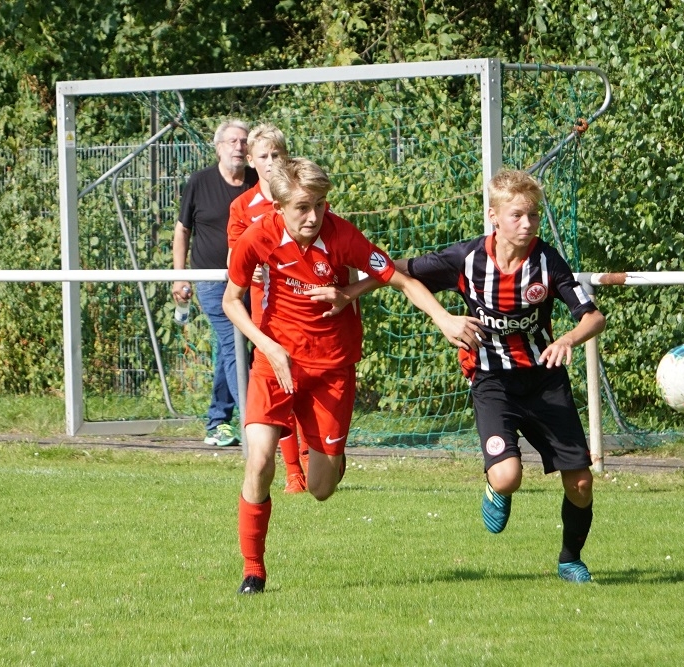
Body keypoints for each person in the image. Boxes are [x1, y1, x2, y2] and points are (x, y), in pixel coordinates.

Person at [325, 169, 606, 583]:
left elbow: (594, 317)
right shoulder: (466, 258)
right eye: (517, 215)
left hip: (545, 381)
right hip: (492, 382)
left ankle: (569, 559)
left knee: (580, 483)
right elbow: (398, 270)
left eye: (533, 215)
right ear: (494, 216)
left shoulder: (547, 262)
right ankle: (496, 486)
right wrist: (351, 290)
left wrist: (568, 338)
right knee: (507, 478)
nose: (527, 224)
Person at [222, 157, 485, 595]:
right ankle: (253, 570)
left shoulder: (342, 235)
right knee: (260, 460)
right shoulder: (257, 237)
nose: (313, 216)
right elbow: (231, 301)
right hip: (275, 363)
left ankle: (332, 456)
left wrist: (442, 318)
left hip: (332, 367)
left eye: (320, 205)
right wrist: (267, 345)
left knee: (321, 489)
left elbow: (397, 277)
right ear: (280, 207)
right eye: (303, 207)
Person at [226, 124, 309, 494]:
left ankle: (312, 457)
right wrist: (252, 266)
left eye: (277, 154)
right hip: (267, 309)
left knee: (307, 381)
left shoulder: (303, 197)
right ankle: (292, 469)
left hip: (306, 302)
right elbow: (234, 258)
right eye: (264, 156)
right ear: (251, 160)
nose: (272, 162)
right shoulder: (242, 207)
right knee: (280, 383)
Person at [173, 119, 257, 447]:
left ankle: (217, 422)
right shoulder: (200, 182)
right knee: (234, 342)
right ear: (218, 147)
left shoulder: (257, 182)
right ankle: (255, 423)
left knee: (231, 346)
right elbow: (182, 230)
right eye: (232, 141)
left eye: (244, 141)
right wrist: (180, 275)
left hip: (251, 280)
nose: (239, 146)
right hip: (211, 281)